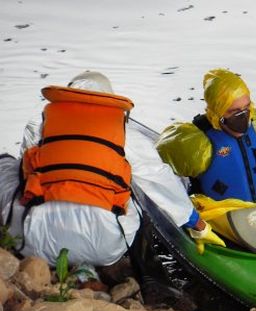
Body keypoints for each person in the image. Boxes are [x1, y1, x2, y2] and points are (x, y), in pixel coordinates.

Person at [0, 71, 223, 281]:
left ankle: (58, 262)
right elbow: (161, 182)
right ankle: (92, 267)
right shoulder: (127, 137)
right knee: (134, 187)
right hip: (106, 246)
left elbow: (26, 176)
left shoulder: (39, 126)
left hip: (35, 241)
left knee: (7, 166)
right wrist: (197, 223)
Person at [156, 68, 256, 255]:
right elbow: (156, 168)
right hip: (225, 220)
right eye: (234, 111)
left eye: (246, 108)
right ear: (216, 112)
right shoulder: (195, 142)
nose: (243, 117)